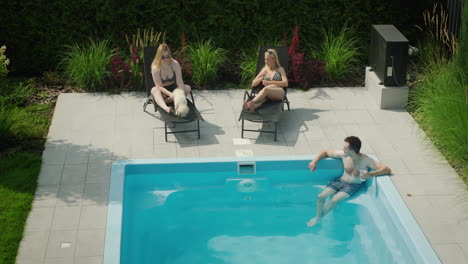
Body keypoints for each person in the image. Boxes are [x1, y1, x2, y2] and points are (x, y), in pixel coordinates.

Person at [306, 136, 391, 227]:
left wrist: (371, 174)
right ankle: (317, 217)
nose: (343, 149)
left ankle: (319, 219)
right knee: (320, 196)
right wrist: (314, 161)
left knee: (334, 200)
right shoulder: (344, 155)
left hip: (353, 185)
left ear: (352, 151)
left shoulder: (366, 160)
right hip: (340, 181)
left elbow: (386, 169)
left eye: (345, 148)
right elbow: (325, 152)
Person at [151, 43, 191, 113]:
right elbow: (159, 86)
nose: (166, 59)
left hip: (174, 88)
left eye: (167, 56)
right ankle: (166, 108)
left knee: (187, 88)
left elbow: (179, 82)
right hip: (163, 91)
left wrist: (181, 94)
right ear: (159, 57)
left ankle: (162, 101)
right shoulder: (155, 67)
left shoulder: (175, 64)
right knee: (154, 90)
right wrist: (170, 95)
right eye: (163, 57)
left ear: (170, 55)